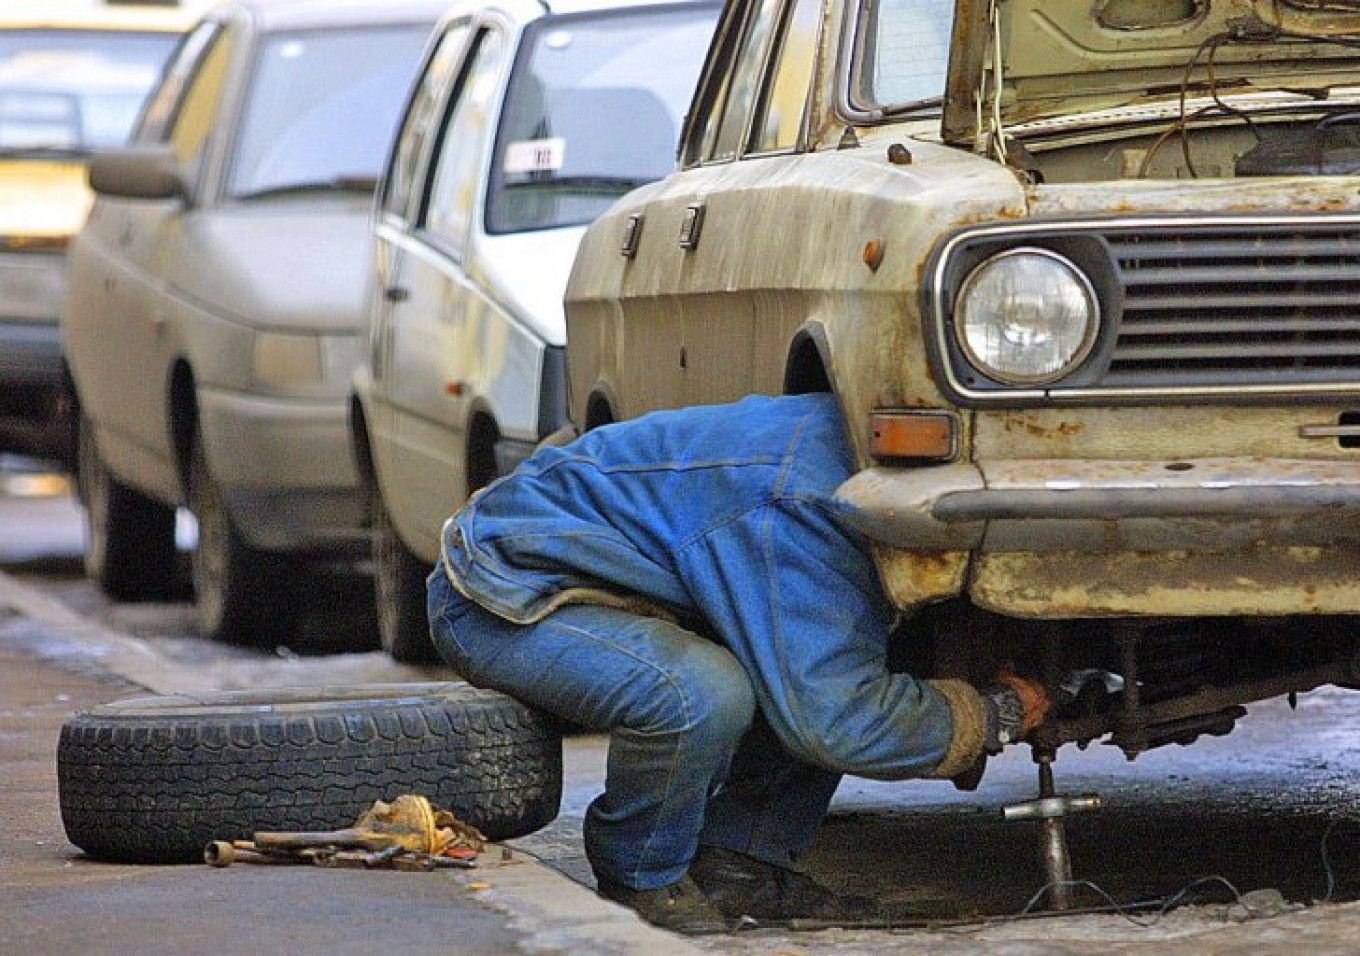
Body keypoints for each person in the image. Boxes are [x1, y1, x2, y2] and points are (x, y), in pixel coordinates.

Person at [426, 393, 1052, 934]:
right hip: (496, 594)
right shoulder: (809, 508)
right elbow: (834, 719)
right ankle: (643, 876)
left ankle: (741, 866)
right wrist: (990, 715)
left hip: (601, 574)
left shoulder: (884, 452)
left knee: (822, 654)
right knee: (700, 692)